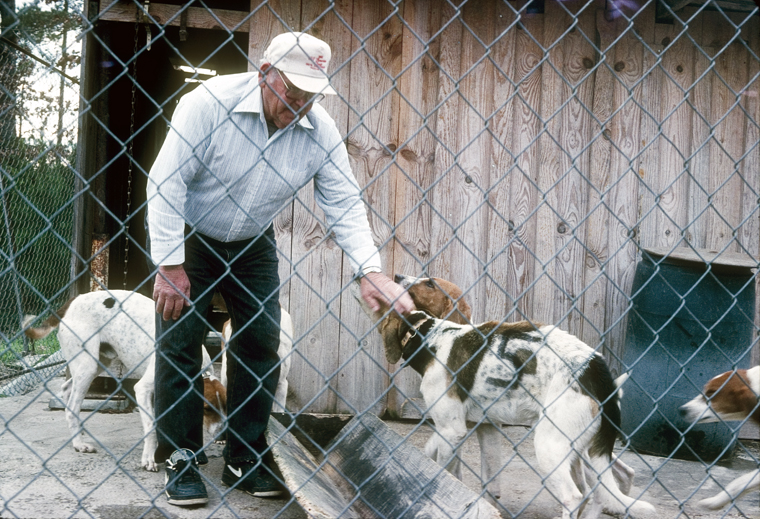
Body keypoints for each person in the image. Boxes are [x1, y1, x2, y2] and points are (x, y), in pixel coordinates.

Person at [145, 31, 414, 507]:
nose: (299, 107)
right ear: (265, 73)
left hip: (252, 240)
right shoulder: (208, 103)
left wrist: (369, 271)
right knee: (181, 339)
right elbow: (166, 182)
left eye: (310, 97)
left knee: (261, 339)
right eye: (291, 93)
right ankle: (181, 455)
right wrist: (170, 264)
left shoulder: (319, 128)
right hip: (192, 235)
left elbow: (344, 203)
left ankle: (244, 454)